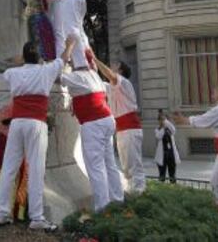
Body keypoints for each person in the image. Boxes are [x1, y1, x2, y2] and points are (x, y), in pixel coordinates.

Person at [0, 37, 75, 231]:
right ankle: (36, 217)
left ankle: (1, 213)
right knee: (36, 168)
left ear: (24, 57)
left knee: (9, 167)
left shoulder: (12, 73)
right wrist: (70, 44)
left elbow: (8, 67)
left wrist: (21, 61)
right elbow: (63, 59)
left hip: (17, 124)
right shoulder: (46, 70)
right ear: (39, 58)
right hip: (36, 124)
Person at [62, 64, 124, 211]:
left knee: (95, 167)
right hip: (106, 120)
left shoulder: (78, 76)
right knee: (109, 164)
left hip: (93, 123)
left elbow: (55, 77)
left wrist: (62, 57)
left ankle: (103, 208)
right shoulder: (93, 75)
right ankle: (117, 200)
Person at [173, 85, 218, 211]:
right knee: (215, 182)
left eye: (216, 91)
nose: (212, 91)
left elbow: (202, 120)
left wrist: (184, 120)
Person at [94, 56, 146, 194]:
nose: (112, 66)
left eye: (115, 65)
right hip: (122, 128)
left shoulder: (124, 83)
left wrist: (94, 58)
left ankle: (139, 191)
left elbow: (109, 75)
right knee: (126, 165)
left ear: (120, 70)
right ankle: (131, 190)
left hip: (131, 128)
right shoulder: (111, 86)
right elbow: (95, 83)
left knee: (134, 162)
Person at [155, 110, 180, 183]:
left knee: (172, 174)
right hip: (162, 155)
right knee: (162, 174)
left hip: (171, 154)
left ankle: (173, 185)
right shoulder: (157, 129)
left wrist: (166, 122)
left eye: (163, 119)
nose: (162, 121)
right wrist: (163, 127)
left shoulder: (170, 129)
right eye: (160, 120)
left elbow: (174, 130)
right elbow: (159, 136)